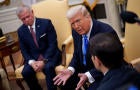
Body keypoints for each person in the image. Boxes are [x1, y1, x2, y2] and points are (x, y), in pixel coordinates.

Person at [53, 5, 118, 90]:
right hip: (83, 68)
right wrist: (70, 69)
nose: (76, 26)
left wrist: (88, 75)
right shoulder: (76, 32)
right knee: (63, 83)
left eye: (78, 21)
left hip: (103, 72)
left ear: (88, 17)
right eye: (72, 23)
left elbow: (111, 62)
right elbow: (76, 54)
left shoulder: (106, 32)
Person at [16, 5, 61, 90]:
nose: (26, 20)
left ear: (32, 12)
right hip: (34, 58)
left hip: (50, 55)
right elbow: (24, 50)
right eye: (23, 19)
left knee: (48, 67)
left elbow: (53, 44)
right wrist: (32, 62)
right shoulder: (20, 31)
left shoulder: (46, 23)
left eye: (28, 16)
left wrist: (44, 61)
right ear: (20, 19)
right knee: (26, 72)